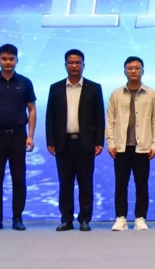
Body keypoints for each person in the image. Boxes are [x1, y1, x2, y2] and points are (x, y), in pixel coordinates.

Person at [0, 43, 36, 232]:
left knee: (19, 179)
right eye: (4, 59)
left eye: (11, 59)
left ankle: (17, 218)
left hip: (18, 136)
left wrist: (30, 136)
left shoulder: (25, 82)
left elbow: (32, 109)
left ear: (17, 60)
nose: (8, 62)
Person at [45, 49, 104, 232]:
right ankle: (66, 219)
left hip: (85, 143)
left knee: (86, 183)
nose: (74, 66)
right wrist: (50, 141)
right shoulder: (55, 88)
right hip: (63, 143)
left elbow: (99, 117)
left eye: (78, 62)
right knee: (65, 184)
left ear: (83, 65)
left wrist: (99, 141)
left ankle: (85, 219)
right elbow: (50, 117)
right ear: (65, 65)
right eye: (70, 63)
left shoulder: (94, 88)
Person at [106, 56, 155, 231]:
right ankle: (121, 218)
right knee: (121, 184)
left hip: (142, 147)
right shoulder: (116, 94)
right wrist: (110, 142)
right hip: (121, 146)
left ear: (143, 71)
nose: (133, 71)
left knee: (141, 184)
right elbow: (110, 120)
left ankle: (140, 218)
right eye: (130, 68)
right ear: (124, 71)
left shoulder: (152, 94)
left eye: (137, 68)